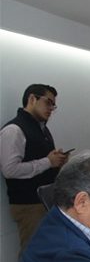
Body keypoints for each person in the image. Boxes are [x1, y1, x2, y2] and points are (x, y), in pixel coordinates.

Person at [1, 84, 69, 250]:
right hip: (29, 204)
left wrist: (57, 161)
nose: (51, 108)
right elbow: (10, 170)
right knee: (33, 253)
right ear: (32, 99)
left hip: (46, 200)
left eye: (53, 105)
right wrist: (48, 162)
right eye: (48, 102)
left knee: (49, 252)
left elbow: (43, 161)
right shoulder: (14, 130)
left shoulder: (43, 129)